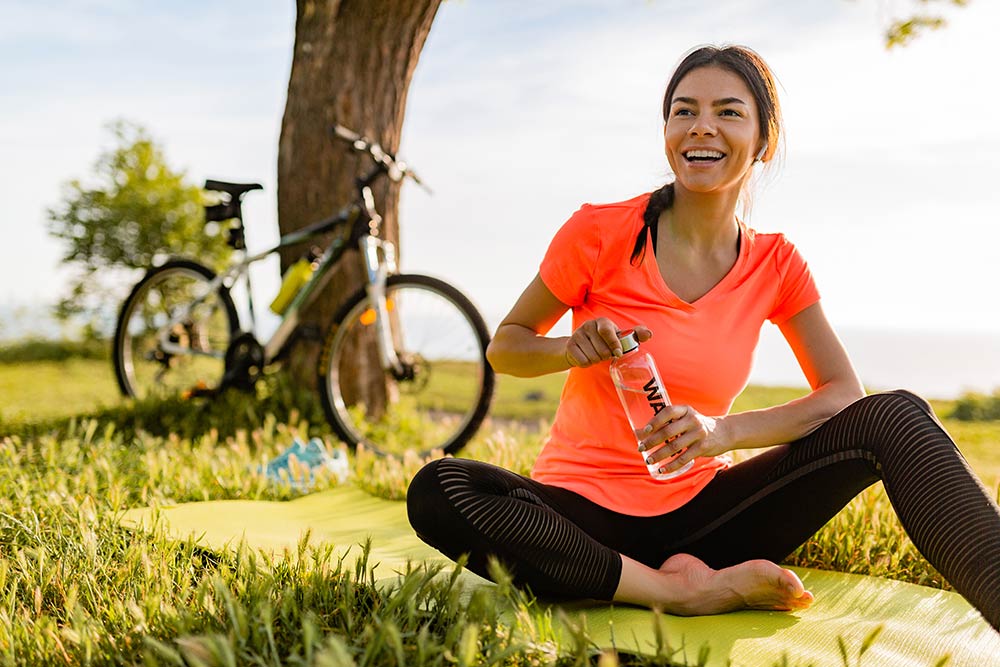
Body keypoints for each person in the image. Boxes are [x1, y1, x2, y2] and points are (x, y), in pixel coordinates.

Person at [406, 44, 1000, 630]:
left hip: (707, 517)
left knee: (895, 417)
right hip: (581, 522)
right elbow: (505, 346)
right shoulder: (599, 232)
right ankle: (674, 589)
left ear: (763, 142)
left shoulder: (777, 263)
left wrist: (724, 433)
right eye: (684, 110)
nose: (701, 127)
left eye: (729, 112)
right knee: (441, 486)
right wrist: (568, 348)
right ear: (666, 130)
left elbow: (842, 393)